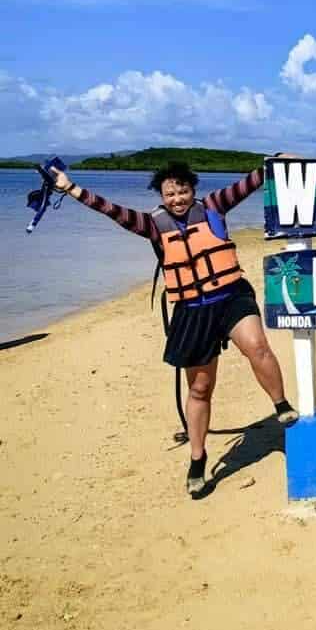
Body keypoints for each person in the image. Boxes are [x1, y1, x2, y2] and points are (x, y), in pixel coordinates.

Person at [49, 159, 299, 497]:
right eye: (170, 193)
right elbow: (111, 210)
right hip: (192, 310)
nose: (178, 198)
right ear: (162, 196)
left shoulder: (213, 207)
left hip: (231, 296)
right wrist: (71, 188)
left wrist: (273, 164)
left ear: (193, 190)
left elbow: (248, 184)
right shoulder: (153, 226)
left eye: (183, 191)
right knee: (200, 388)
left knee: (257, 346)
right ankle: (198, 459)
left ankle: (281, 405)